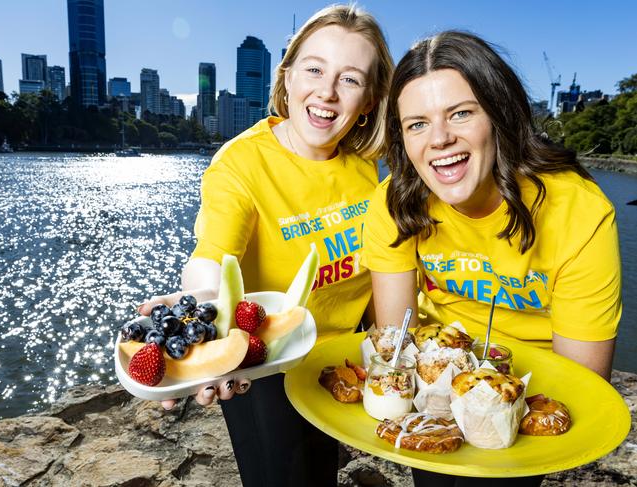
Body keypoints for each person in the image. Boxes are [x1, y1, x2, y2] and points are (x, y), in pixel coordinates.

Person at [138, 5, 394, 486]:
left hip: (338, 359)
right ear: (288, 74)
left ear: (370, 99)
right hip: (267, 364)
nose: (327, 91)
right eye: (315, 68)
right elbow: (212, 256)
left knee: (320, 472)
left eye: (351, 79)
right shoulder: (240, 164)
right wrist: (206, 313)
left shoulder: (366, 163)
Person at [362, 31, 621, 487]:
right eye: (417, 123)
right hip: (437, 379)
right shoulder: (394, 205)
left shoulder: (579, 212)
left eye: (461, 113)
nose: (439, 138)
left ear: (500, 116)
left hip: (533, 384)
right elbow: (398, 345)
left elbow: (579, 389)